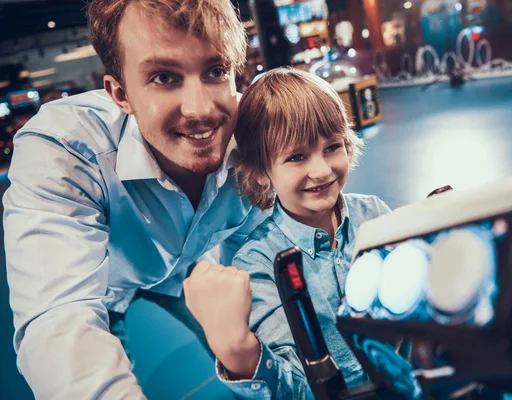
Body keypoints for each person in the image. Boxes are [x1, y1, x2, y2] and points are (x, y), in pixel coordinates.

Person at [3, 0, 268, 398]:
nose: (200, 110)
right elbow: (59, 320)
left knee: (257, 349)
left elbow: (260, 242)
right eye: (164, 77)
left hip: (192, 267)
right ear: (120, 93)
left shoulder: (252, 139)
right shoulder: (64, 149)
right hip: (105, 283)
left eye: (215, 71)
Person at [184, 68, 420, 399]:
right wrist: (241, 353)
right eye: (296, 156)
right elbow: (294, 388)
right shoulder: (258, 264)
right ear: (261, 173)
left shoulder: (374, 213)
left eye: (332, 147)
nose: (322, 170)